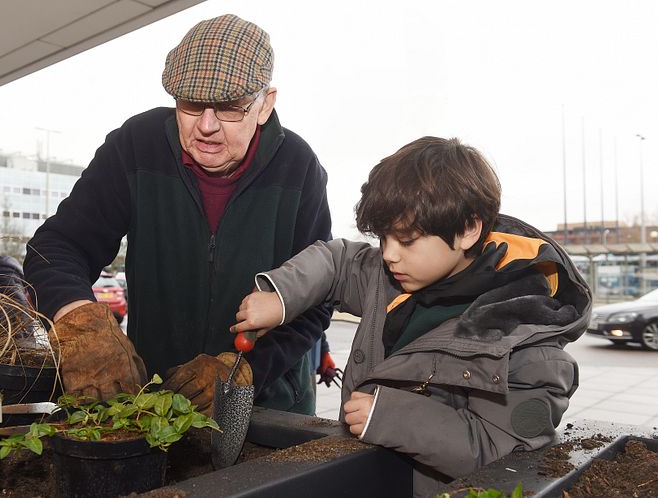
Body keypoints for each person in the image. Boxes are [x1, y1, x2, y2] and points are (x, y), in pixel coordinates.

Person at [231, 136, 591, 496]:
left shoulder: (529, 347)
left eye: (406, 240)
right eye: (383, 238)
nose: (389, 255)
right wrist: (280, 295)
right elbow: (336, 262)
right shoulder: (391, 277)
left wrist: (390, 417)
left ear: (468, 229)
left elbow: (501, 455)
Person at [23, 14, 332, 415]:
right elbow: (58, 247)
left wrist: (245, 370)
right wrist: (78, 318)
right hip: (153, 401)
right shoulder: (135, 145)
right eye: (190, 104)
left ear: (264, 104)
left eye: (228, 108)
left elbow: (317, 299)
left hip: (269, 408)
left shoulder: (300, 167)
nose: (206, 126)